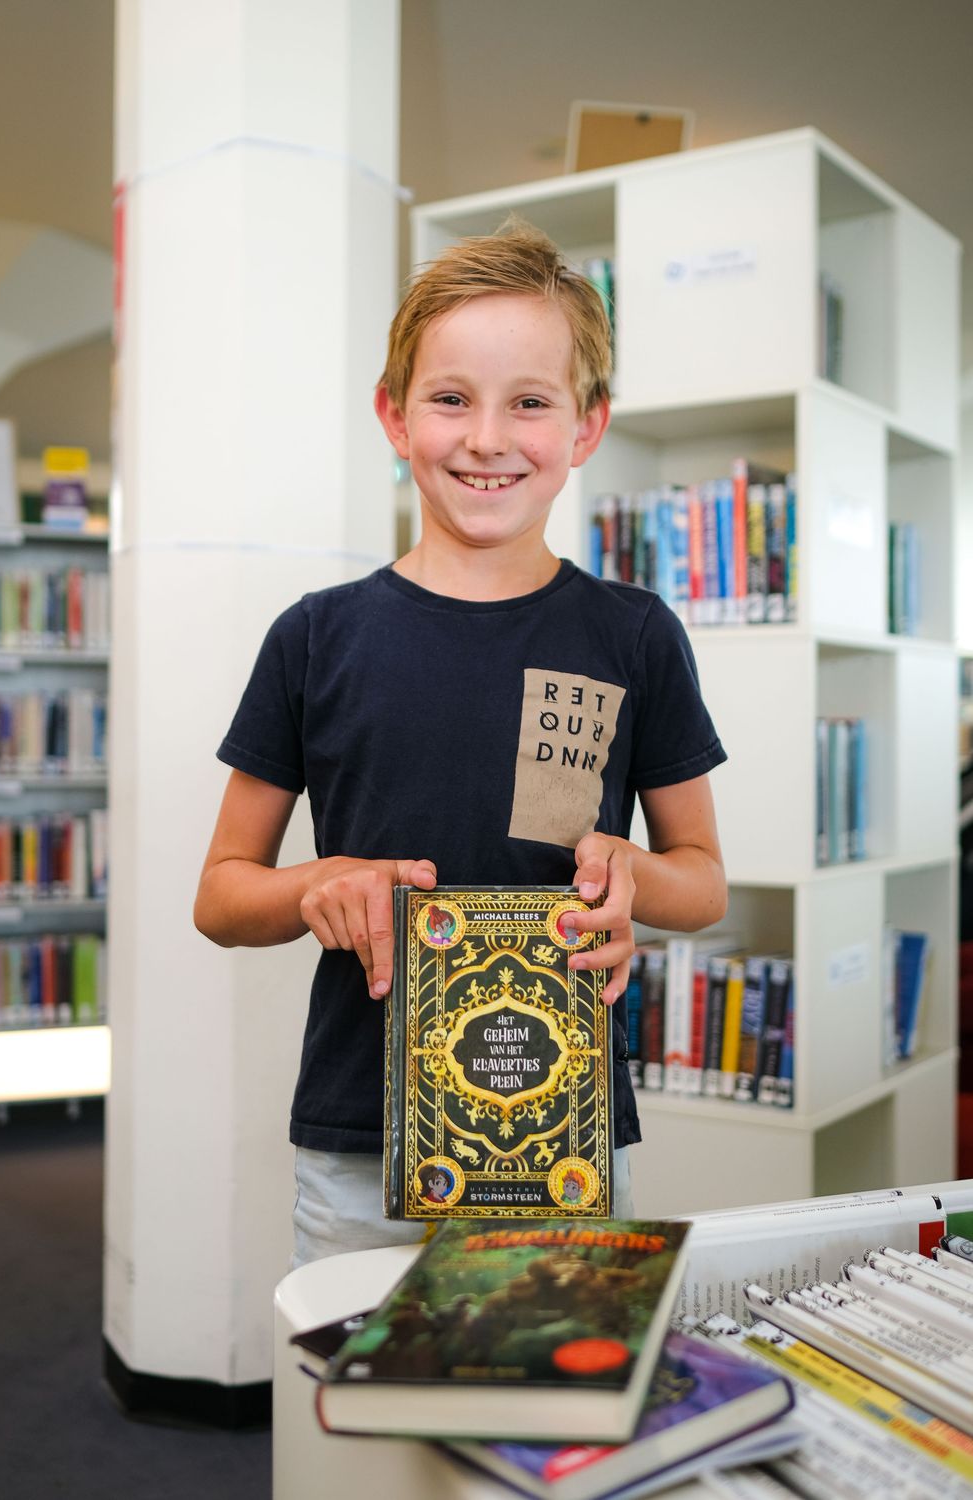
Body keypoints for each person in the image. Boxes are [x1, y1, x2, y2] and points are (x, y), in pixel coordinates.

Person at [193, 220, 728, 1267]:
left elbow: (701, 882)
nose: (488, 438)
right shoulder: (315, 637)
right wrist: (322, 884)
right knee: (355, 1414)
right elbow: (220, 895)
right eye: (450, 399)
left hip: (564, 1131)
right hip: (363, 1137)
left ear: (586, 427)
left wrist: (629, 874)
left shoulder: (632, 634)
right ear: (395, 418)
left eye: (530, 401)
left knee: (550, 1409)